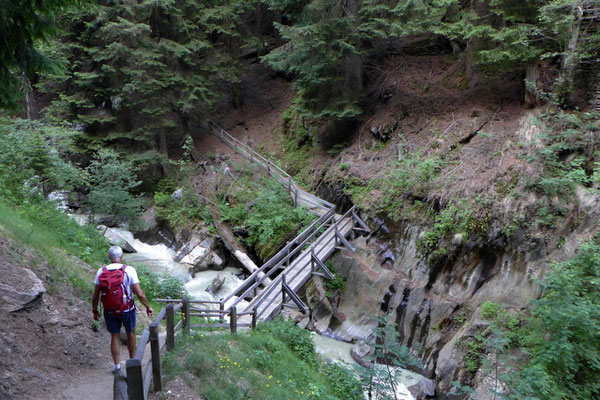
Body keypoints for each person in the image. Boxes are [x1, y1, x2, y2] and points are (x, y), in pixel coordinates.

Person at [92, 246, 154, 373]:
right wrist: (148, 307)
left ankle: (117, 366)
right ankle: (132, 363)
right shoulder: (129, 270)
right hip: (127, 309)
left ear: (109, 257)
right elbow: (140, 294)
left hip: (109, 310)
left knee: (114, 335)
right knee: (130, 332)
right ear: (121, 257)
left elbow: (95, 295)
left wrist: (94, 310)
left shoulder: (101, 271)